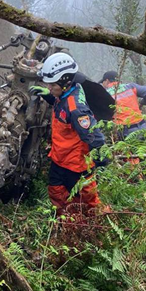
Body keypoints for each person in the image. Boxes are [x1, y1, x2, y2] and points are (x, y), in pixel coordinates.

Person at [30, 52, 108, 212]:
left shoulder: (77, 110)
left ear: (65, 81)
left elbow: (95, 136)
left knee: (87, 202)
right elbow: (61, 104)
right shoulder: (68, 90)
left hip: (75, 165)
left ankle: (92, 226)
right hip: (60, 158)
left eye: (52, 85)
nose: (49, 88)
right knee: (56, 193)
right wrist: (49, 97)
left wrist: (100, 162)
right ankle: (65, 222)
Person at [100, 71, 146, 138]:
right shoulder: (130, 86)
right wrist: (141, 104)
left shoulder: (105, 94)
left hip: (126, 130)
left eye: (103, 82)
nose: (103, 85)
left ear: (107, 81)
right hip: (142, 125)